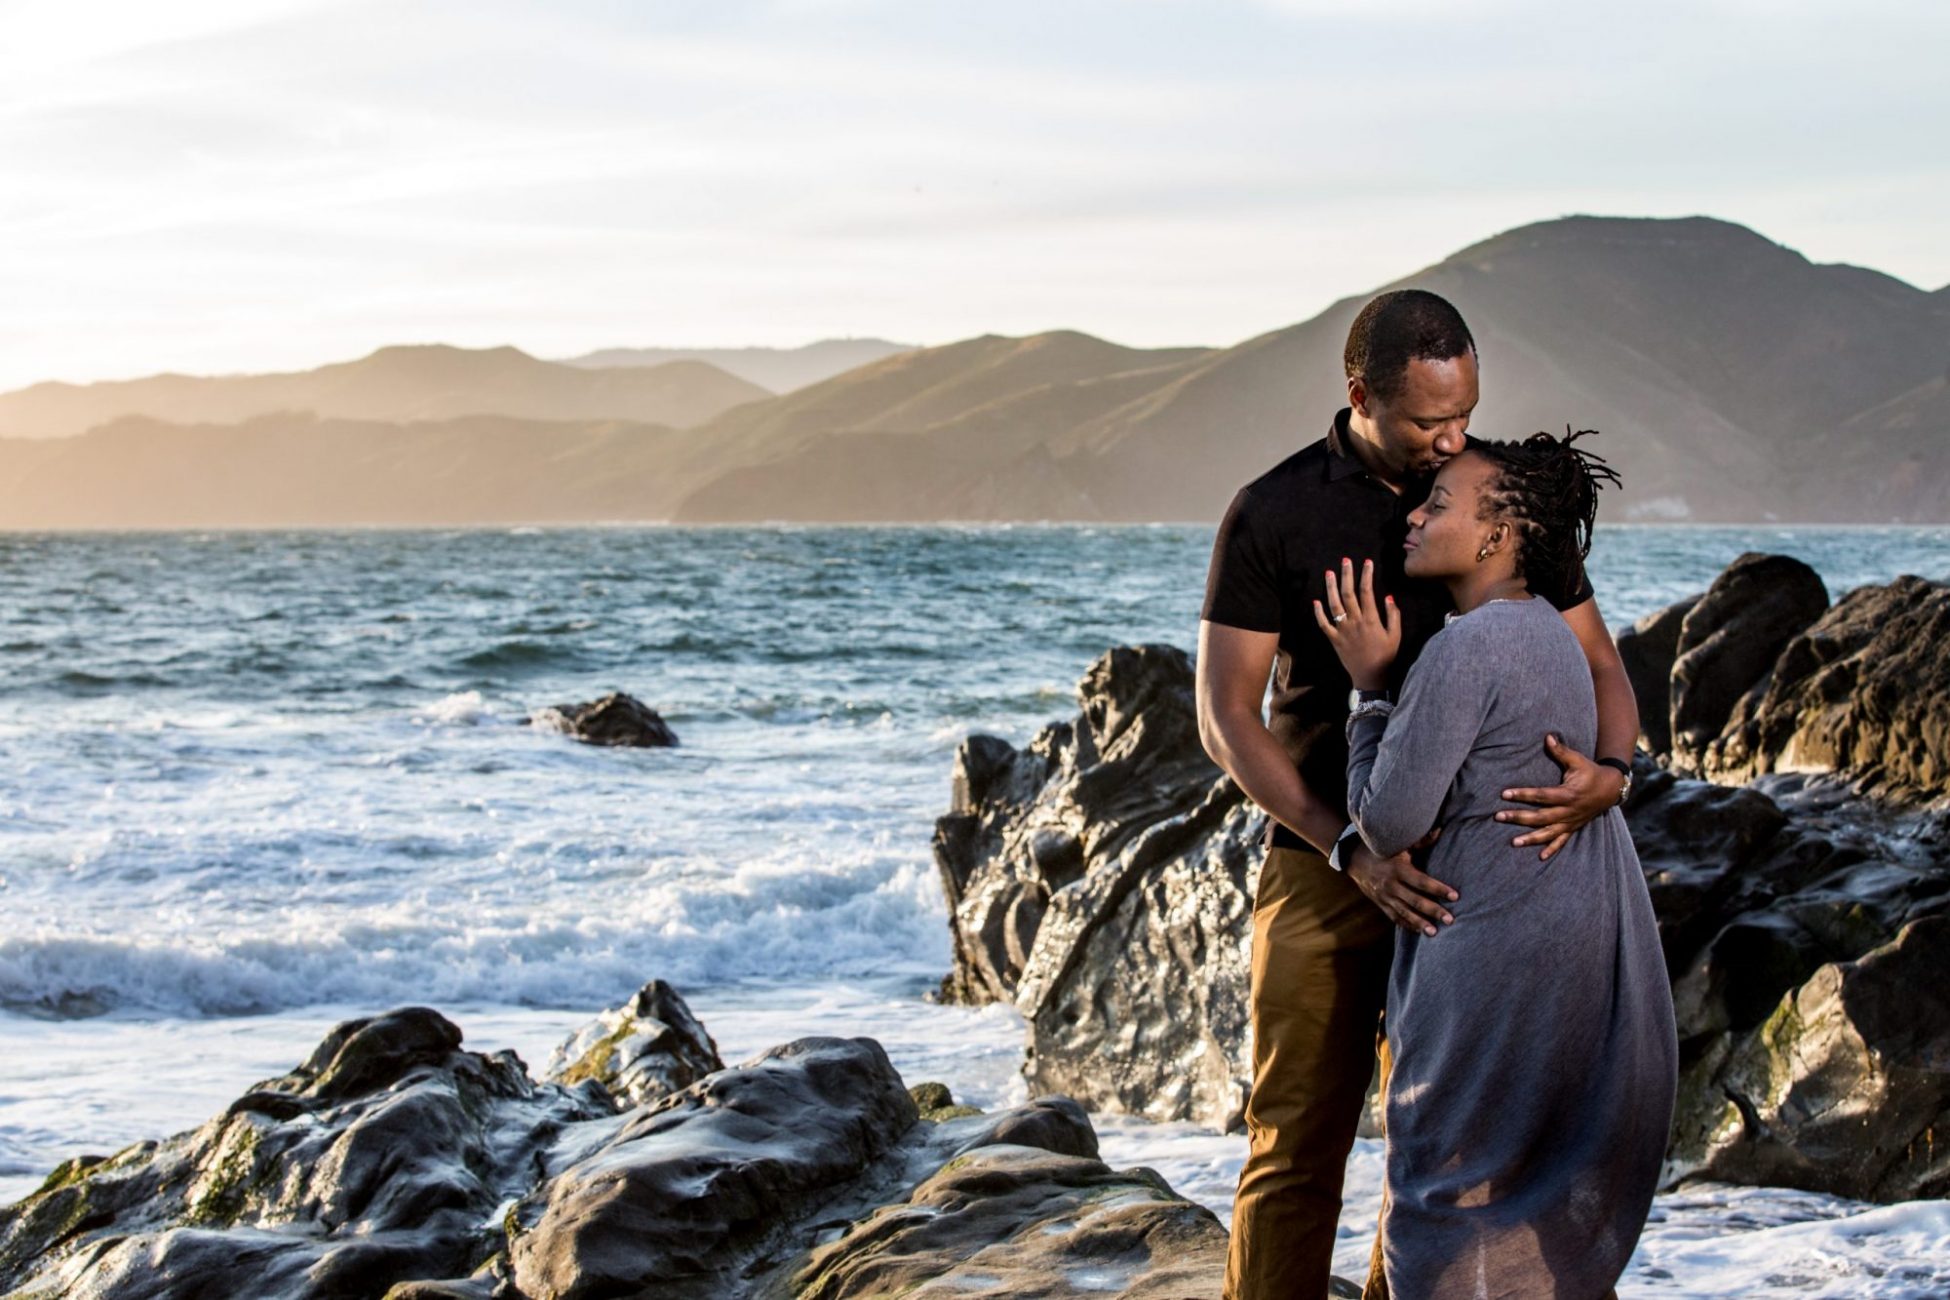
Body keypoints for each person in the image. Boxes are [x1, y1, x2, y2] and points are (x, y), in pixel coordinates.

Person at [1195, 290, 1641, 1300]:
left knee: (1444, 1150)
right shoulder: (1278, 510)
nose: (1452, 440)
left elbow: (1602, 666)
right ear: (1361, 395)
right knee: (1295, 1140)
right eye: (1428, 422)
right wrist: (1345, 847)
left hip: (1471, 886)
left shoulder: (1494, 498)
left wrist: (1609, 779)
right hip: (1322, 863)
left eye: (1465, 414)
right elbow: (1227, 716)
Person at [1316, 431, 1677, 1298]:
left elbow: (1392, 819)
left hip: (1488, 959)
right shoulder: (1552, 635)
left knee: (1445, 1192)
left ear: (1497, 534)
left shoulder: (1464, 647)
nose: (1415, 513)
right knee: (1533, 1194)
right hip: (1571, 948)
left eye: (1438, 503)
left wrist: (1370, 690)